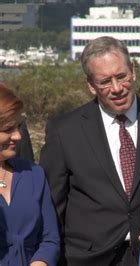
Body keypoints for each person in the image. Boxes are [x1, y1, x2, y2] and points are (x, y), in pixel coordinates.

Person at [39, 36, 140, 265]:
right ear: (91, 85)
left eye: (121, 77)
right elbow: (53, 208)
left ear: (133, 70)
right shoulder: (64, 132)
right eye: (105, 82)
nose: (117, 88)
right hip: (88, 258)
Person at [0, 83, 60, 265]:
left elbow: (50, 240)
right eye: (8, 129)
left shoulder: (33, 174)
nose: (18, 136)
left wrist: (40, 262)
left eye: (18, 127)